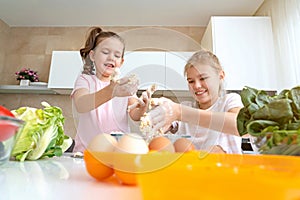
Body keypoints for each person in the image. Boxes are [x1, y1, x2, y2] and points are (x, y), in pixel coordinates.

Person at [148, 49, 244, 154]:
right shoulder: (186, 107)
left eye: (203, 78)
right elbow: (162, 127)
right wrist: (158, 118)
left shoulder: (229, 101)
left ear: (220, 76)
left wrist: (180, 112)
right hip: (190, 168)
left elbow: (238, 124)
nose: (197, 86)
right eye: (191, 81)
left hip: (226, 168)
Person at [71, 27, 149, 152]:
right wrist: (112, 90)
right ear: (93, 56)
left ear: (121, 62)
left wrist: (142, 107)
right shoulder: (85, 80)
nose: (111, 57)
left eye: (117, 55)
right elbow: (81, 105)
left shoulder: (124, 85)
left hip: (117, 151)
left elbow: (135, 114)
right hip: (86, 152)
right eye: (105, 52)